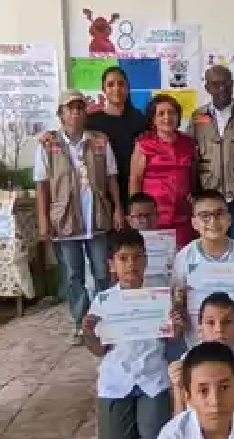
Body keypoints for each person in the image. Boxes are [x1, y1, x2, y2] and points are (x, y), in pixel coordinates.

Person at [34, 89, 125, 343]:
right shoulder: (48, 145)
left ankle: (105, 318)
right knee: (73, 274)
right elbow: (41, 185)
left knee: (101, 271)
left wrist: (118, 208)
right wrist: (43, 222)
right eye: (69, 108)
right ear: (60, 114)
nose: (75, 112)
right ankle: (81, 321)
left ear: (86, 112)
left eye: (79, 108)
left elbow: (111, 178)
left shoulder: (99, 141)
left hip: (96, 217)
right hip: (64, 219)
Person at [79, 229, 178, 439]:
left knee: (154, 438)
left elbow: (172, 338)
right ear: (112, 265)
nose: (131, 264)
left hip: (152, 375)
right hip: (117, 376)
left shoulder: (159, 298)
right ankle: (128, 414)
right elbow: (98, 350)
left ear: (145, 261)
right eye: (123, 259)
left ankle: (143, 414)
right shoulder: (103, 301)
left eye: (137, 257)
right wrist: (89, 333)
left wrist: (176, 325)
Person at [171, 190, 234, 347]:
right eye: (205, 216)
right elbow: (178, 302)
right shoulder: (184, 257)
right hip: (198, 344)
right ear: (194, 223)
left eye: (219, 214)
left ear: (229, 219)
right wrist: (178, 302)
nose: (213, 221)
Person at [168, 292, 234, 415]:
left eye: (226, 322)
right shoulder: (187, 360)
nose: (219, 329)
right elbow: (179, 420)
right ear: (200, 330)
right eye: (211, 323)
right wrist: (177, 387)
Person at [130, 94, 196, 247]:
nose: (167, 117)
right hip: (151, 216)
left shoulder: (188, 143)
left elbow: (192, 178)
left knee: (182, 261)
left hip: (182, 215)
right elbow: (135, 179)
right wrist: (136, 214)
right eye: (161, 113)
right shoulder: (144, 144)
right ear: (153, 119)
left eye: (171, 113)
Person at [191, 65, 234, 234]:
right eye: (216, 84)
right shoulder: (197, 118)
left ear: (233, 84)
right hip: (209, 198)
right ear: (207, 87)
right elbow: (191, 158)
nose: (222, 89)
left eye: (226, 84)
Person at [85, 66, 147, 211]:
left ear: (127, 87)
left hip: (135, 188)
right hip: (102, 190)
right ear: (103, 89)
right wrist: (49, 136)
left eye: (121, 84)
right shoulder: (91, 122)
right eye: (110, 84)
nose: (116, 89)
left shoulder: (140, 119)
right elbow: (70, 133)